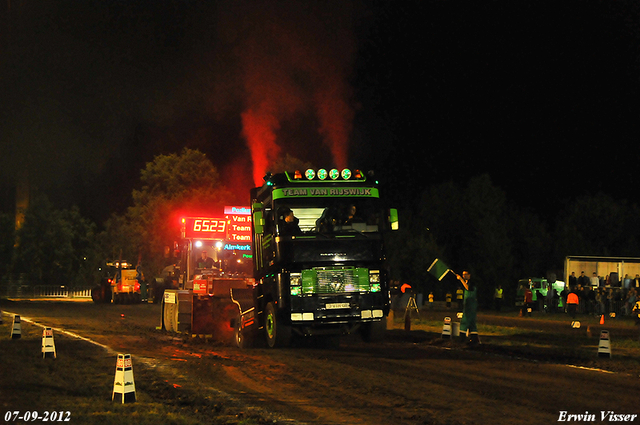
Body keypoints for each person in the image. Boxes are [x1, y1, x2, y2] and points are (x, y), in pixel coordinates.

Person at [456, 270, 479, 346]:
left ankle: (461, 338)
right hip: (468, 305)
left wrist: (461, 280)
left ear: (470, 275)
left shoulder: (471, 283)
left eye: (465, 274)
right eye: (463, 274)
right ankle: (474, 339)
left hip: (470, 306)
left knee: (464, 321)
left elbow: (468, 288)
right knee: (472, 323)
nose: (464, 276)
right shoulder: (467, 282)